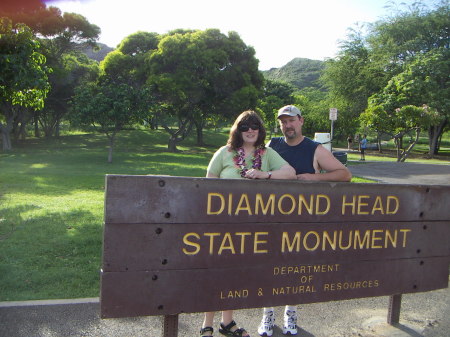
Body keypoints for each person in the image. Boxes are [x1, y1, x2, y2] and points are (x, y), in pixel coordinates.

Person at [257, 105, 352, 337]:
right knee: (268, 267)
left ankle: (290, 312)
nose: (287, 125)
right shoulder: (273, 145)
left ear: (301, 121)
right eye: (283, 122)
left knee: (294, 269)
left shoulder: (315, 149)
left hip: (302, 221)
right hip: (273, 218)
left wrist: (315, 177)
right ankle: (267, 313)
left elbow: (344, 174)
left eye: (291, 120)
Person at [202, 110, 296, 337]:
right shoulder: (224, 153)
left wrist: (266, 175)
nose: (250, 130)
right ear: (238, 130)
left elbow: (290, 173)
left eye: (254, 126)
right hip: (222, 224)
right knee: (216, 273)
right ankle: (207, 323)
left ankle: (228, 322)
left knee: (233, 275)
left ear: (260, 130)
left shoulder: (267, 154)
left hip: (251, 226)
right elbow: (208, 184)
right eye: (245, 126)